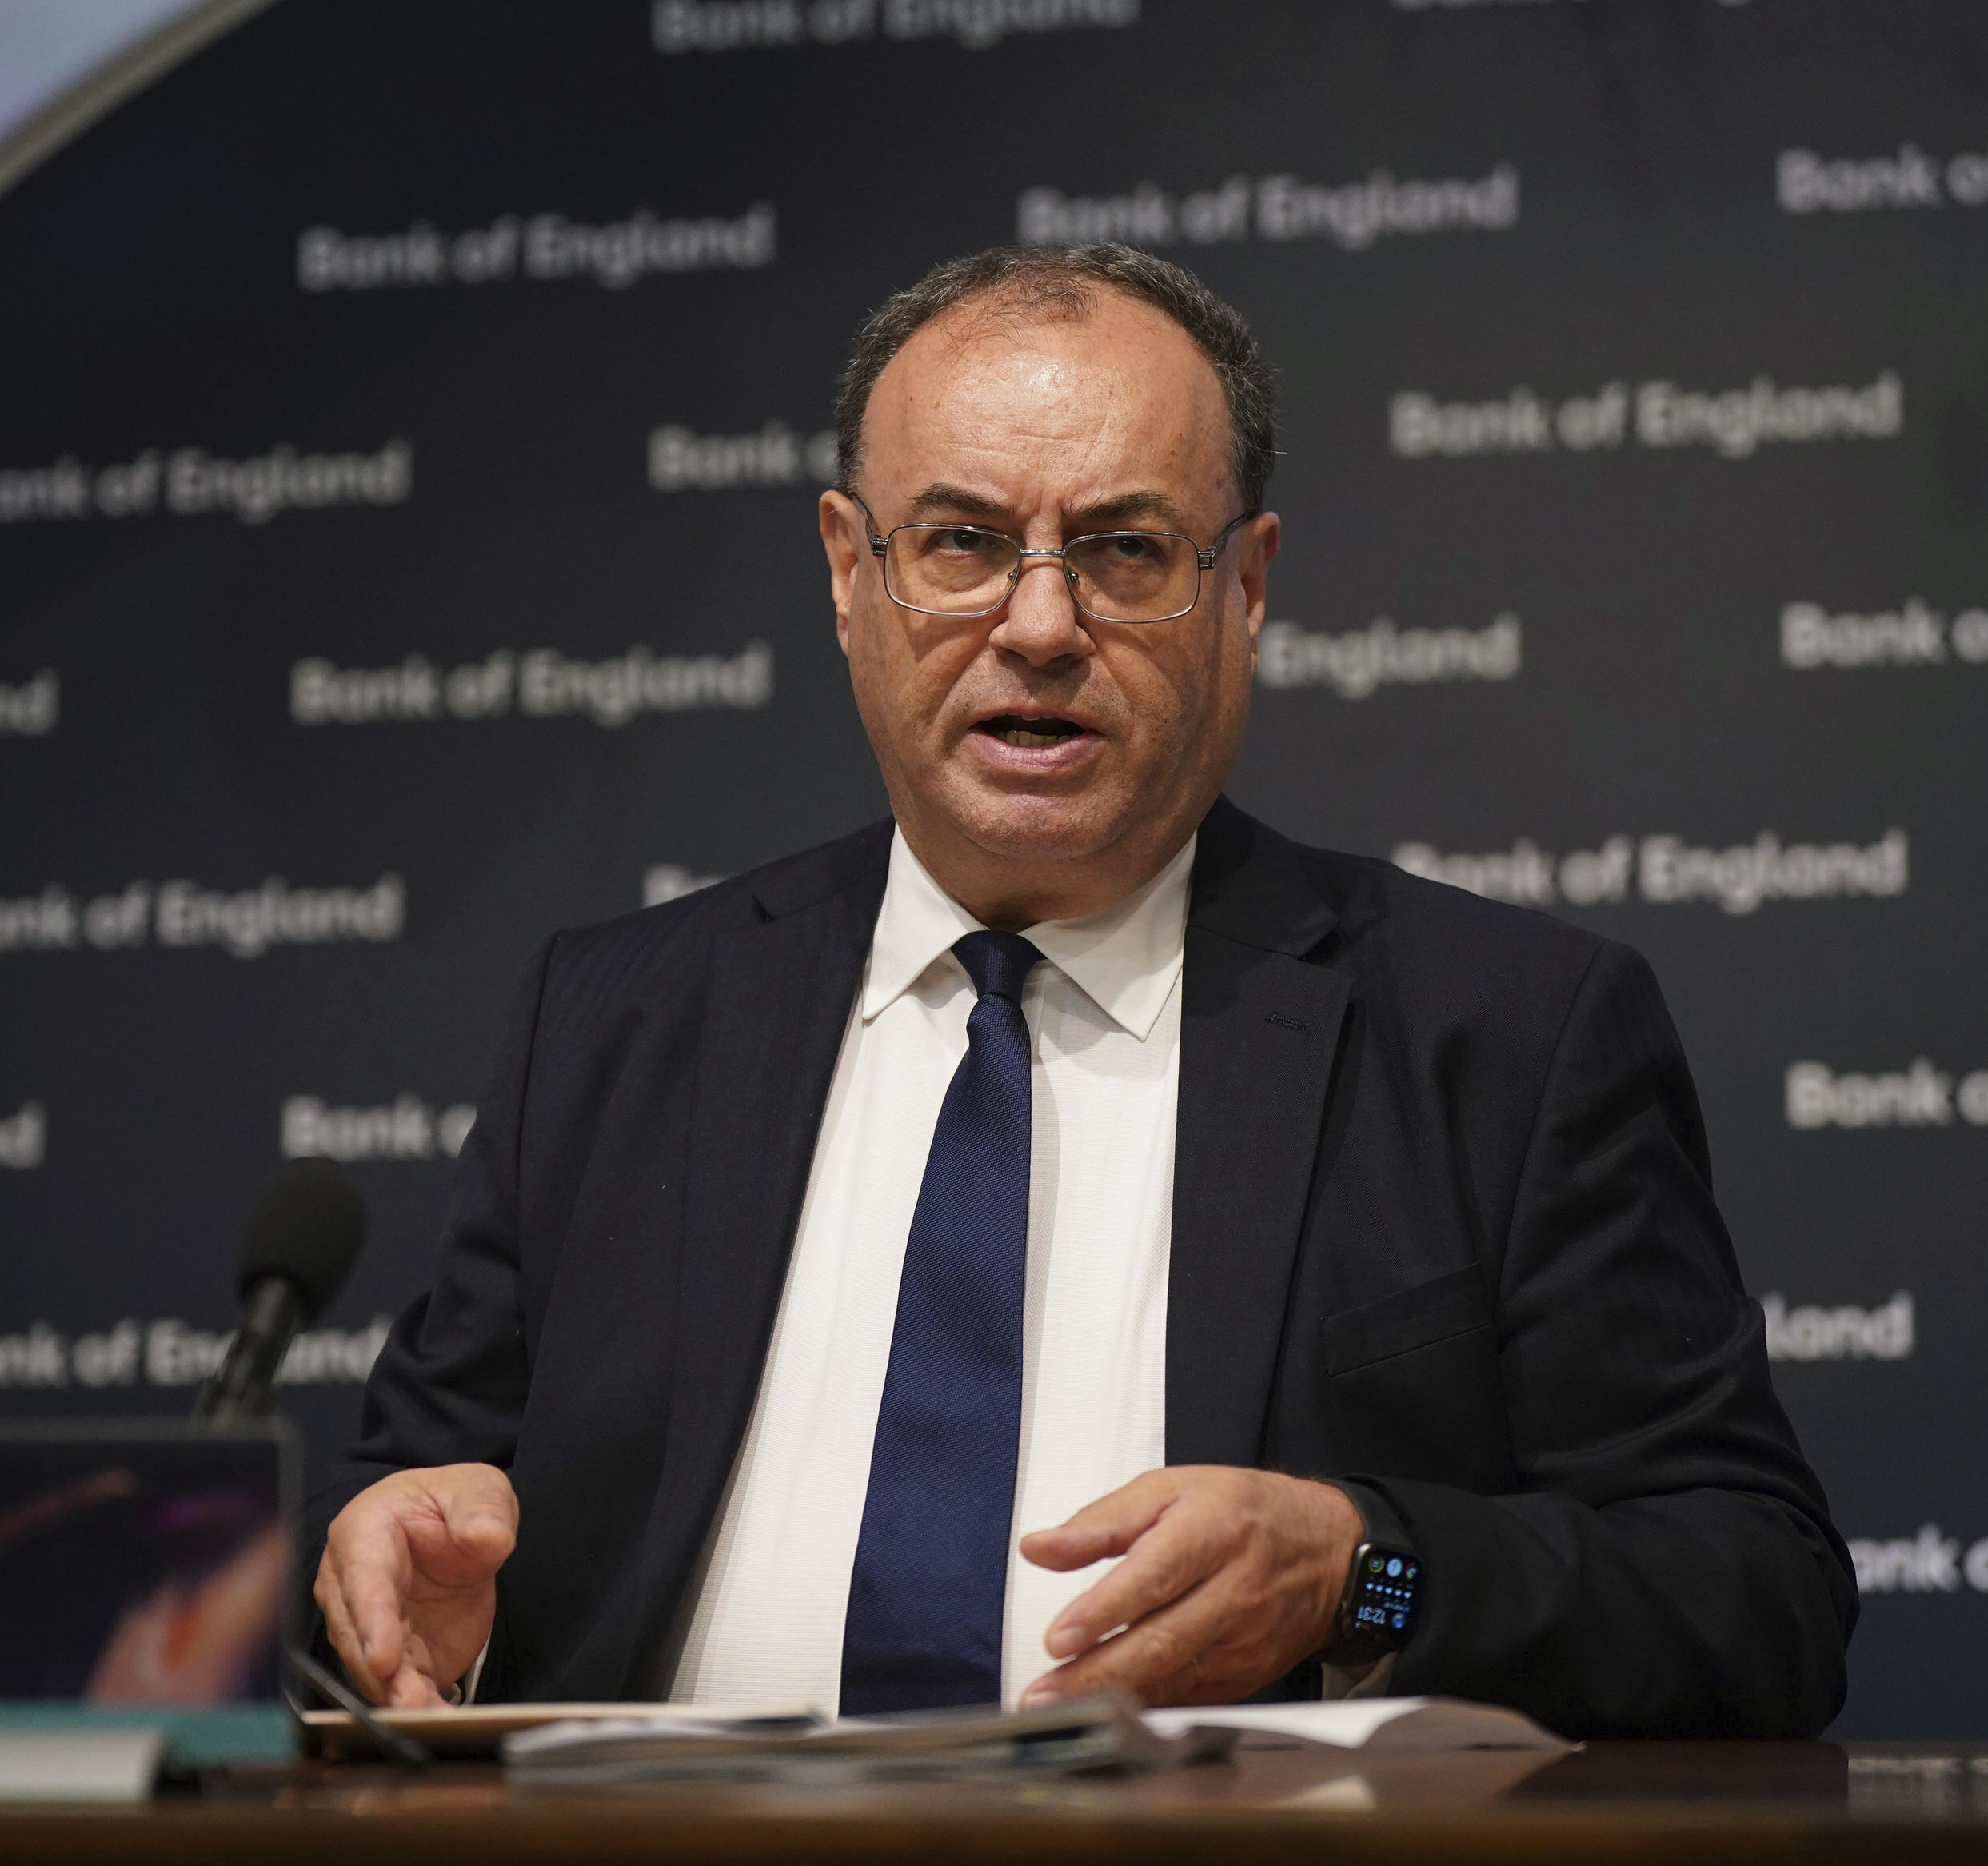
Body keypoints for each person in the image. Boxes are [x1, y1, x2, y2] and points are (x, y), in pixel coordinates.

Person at [305, 244, 1854, 1736]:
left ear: (1247, 587)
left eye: (1122, 550)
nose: (1040, 626)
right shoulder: (613, 1024)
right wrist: (411, 1599)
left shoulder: (1502, 1036)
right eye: (961, 543)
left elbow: (1757, 1597)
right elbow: (398, 1554)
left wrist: (1362, 1571)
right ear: (849, 572)